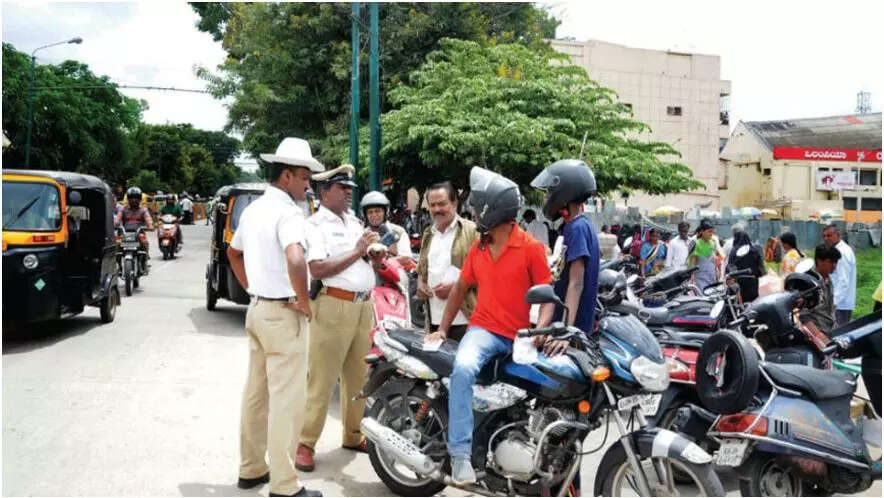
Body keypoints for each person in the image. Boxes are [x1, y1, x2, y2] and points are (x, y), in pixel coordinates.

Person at [424, 167, 555, 485]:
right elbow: (459, 288)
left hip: (521, 337)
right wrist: (442, 328)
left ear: (490, 209)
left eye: (476, 206)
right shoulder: (479, 248)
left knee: (550, 387)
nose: (472, 211)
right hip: (482, 331)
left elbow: (548, 296)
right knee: (464, 369)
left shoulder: (530, 248)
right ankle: (459, 456)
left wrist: (543, 329)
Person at [227, 136, 324, 497]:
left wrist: (253, 288)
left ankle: (251, 469)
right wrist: (304, 301)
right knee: (288, 401)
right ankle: (285, 485)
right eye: (304, 177)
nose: (307, 184)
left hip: (257, 311)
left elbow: (232, 253)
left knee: (256, 394)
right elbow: (296, 258)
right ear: (286, 176)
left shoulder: (252, 210)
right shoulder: (288, 213)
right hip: (284, 314)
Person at [297, 164, 384, 472]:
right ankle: (305, 443)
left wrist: (371, 254)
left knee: (358, 378)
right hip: (333, 307)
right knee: (321, 379)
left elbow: (357, 256)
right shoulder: (315, 225)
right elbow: (318, 268)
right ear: (324, 192)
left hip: (362, 308)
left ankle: (352, 433)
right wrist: (358, 249)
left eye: (350, 189)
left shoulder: (353, 221)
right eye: (342, 188)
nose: (349, 193)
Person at [530, 158, 600, 340]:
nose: (547, 197)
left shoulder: (576, 228)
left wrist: (565, 332)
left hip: (571, 332)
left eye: (550, 192)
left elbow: (576, 283)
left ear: (565, 193)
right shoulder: (577, 225)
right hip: (567, 327)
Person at [416, 181, 479, 341]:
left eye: (442, 204)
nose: (437, 209)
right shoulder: (428, 234)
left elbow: (485, 272)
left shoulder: (472, 231)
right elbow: (422, 271)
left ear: (454, 203)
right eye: (433, 205)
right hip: (433, 321)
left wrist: (456, 287)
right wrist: (421, 285)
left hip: (465, 318)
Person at [797, 244, 840, 336]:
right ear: (819, 261)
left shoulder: (828, 279)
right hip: (817, 334)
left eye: (836, 262)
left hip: (830, 331)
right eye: (830, 261)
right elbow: (804, 315)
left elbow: (830, 310)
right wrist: (819, 337)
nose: (834, 265)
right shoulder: (809, 283)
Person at [360, 190, 411, 262]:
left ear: (385, 212)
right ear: (365, 215)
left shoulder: (398, 231)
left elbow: (406, 258)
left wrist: (382, 263)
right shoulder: (362, 234)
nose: (374, 215)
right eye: (370, 212)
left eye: (377, 211)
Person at [823, 224, 856, 327]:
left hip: (840, 303)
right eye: (824, 236)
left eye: (829, 235)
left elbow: (843, 281)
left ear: (838, 235)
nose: (826, 238)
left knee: (838, 334)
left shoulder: (842, 252)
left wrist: (834, 302)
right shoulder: (838, 249)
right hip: (840, 301)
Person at [727, 231, 765, 302]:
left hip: (739, 285)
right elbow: (761, 269)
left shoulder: (734, 251)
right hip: (753, 283)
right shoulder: (754, 250)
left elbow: (731, 268)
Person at [689, 220, 719, 292]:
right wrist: (692, 276)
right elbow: (692, 262)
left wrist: (717, 271)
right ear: (702, 231)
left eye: (712, 232)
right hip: (700, 277)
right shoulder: (696, 243)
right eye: (709, 231)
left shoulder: (713, 243)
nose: (711, 234)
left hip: (712, 276)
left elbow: (714, 260)